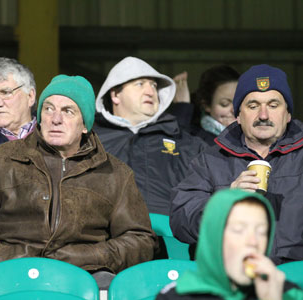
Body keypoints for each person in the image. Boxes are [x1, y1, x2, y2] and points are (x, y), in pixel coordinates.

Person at [0, 74, 156, 289]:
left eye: (68, 111)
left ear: (85, 125)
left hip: (87, 274)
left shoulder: (115, 173)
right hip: (11, 271)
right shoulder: (3, 159)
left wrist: (91, 256)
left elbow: (139, 239)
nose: (55, 119)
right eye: (48, 109)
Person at [170, 64, 303, 264]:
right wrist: (225, 202)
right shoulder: (209, 159)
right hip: (230, 279)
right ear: (238, 115)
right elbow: (181, 221)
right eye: (253, 106)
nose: (264, 115)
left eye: (273, 105)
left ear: (288, 114)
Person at [93, 56, 206, 215]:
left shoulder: (188, 144)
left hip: (167, 236)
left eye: (153, 85)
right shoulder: (89, 141)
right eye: (140, 84)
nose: (150, 91)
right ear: (115, 95)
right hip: (103, 236)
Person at [157, 189, 302, 300]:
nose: (253, 241)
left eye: (262, 232)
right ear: (214, 237)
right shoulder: (178, 296)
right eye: (239, 230)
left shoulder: (284, 291)